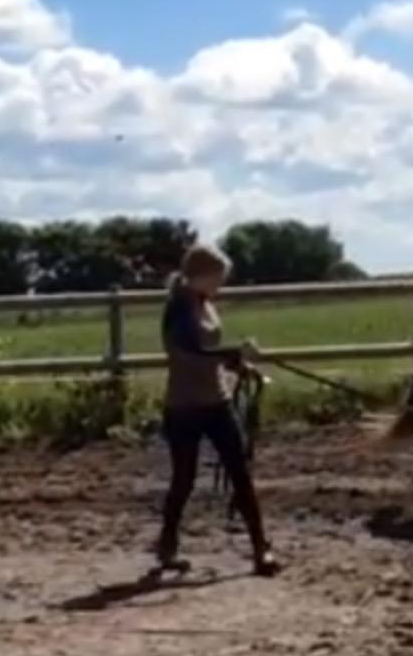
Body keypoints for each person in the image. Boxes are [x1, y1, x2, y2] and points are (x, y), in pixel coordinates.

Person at [156, 244, 281, 577]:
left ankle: (260, 548)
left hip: (217, 400)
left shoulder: (204, 304)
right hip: (184, 405)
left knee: (240, 473)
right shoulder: (178, 309)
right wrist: (232, 353)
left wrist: (238, 366)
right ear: (201, 275)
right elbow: (190, 353)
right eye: (218, 277)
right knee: (183, 479)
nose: (220, 284)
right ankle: (167, 543)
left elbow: (209, 353)